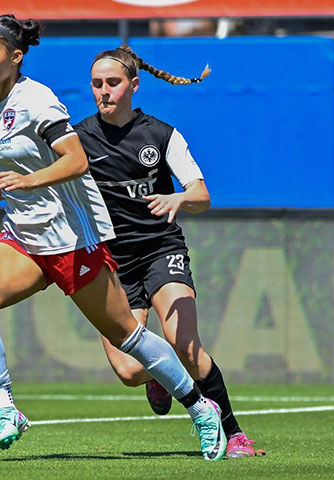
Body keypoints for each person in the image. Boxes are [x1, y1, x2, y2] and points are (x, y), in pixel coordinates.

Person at [0, 15, 226, 460]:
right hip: (23, 237)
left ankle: (201, 409)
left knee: (128, 339)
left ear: (15, 56)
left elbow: (76, 160)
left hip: (70, 237)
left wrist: (27, 183)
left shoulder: (37, 101)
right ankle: (7, 410)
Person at [73, 45, 264, 458]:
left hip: (161, 249)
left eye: (113, 82)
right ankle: (158, 375)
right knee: (128, 371)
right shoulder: (79, 138)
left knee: (185, 343)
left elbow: (202, 194)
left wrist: (179, 200)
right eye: (96, 84)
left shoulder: (161, 135)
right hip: (113, 263)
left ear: (134, 85)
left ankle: (233, 433)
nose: (104, 91)